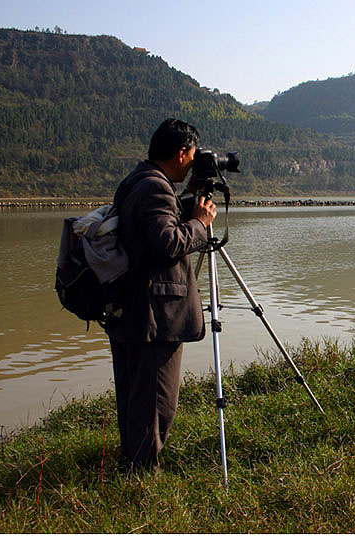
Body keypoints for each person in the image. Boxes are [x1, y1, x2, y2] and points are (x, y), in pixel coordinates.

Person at [106, 118, 217, 473]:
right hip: (153, 314)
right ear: (182, 152)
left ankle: (132, 465)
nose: (193, 162)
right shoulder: (155, 187)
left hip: (130, 307)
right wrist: (199, 223)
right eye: (193, 155)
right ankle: (142, 474)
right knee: (157, 401)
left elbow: (151, 227)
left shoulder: (137, 181)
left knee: (134, 394)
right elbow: (166, 242)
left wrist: (185, 207)